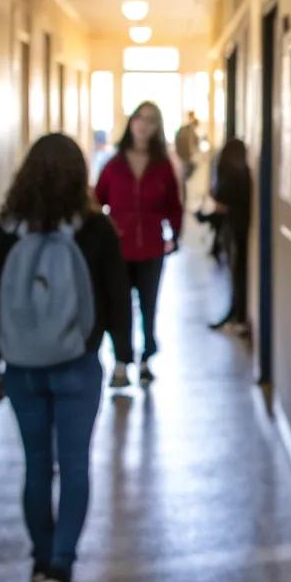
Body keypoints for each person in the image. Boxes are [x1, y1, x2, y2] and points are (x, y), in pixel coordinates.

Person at [0, 133, 132, 582]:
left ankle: (41, 566)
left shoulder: (7, 230)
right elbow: (117, 293)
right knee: (76, 465)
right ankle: (61, 568)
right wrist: (123, 353)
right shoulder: (95, 228)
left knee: (37, 467)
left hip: (21, 369)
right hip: (77, 365)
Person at [95, 101, 182, 386]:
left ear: (157, 128)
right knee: (119, 307)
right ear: (131, 123)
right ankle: (121, 362)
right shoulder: (114, 165)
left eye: (151, 121)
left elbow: (173, 205)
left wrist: (175, 235)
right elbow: (97, 203)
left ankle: (146, 358)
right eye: (139, 119)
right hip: (118, 250)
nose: (144, 125)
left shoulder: (162, 166)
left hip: (152, 249)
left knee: (148, 305)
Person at [207, 138, 252, 334]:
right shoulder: (242, 173)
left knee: (238, 274)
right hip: (236, 228)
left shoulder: (235, 175)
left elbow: (219, 198)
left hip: (236, 229)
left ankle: (238, 316)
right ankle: (236, 315)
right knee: (236, 274)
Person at [173, 110, 199, 193]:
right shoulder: (187, 130)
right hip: (184, 157)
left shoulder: (185, 130)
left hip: (184, 157)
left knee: (183, 181)